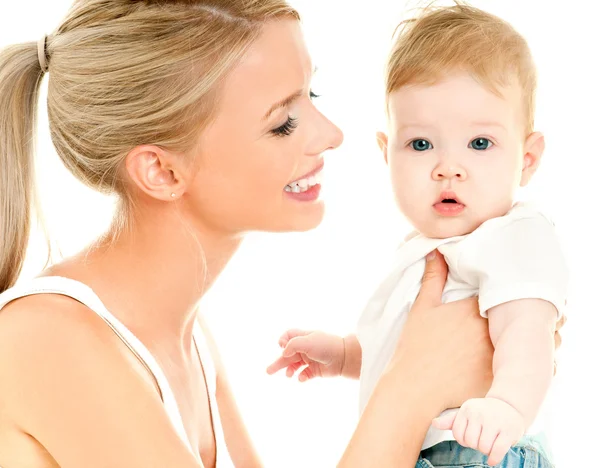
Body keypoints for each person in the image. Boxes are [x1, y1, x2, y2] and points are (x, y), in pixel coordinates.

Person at [0, 1, 562, 467]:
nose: (333, 134)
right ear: (163, 171)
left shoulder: (185, 339)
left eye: (310, 97)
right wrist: (410, 386)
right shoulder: (45, 340)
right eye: (283, 120)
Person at [268, 4, 567, 468]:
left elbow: (530, 333)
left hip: (480, 450)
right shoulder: (421, 250)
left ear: (527, 159)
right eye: (422, 144)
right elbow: (406, 355)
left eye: (480, 143)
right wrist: (345, 355)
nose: (448, 166)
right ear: (387, 154)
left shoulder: (515, 235)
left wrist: (507, 406)